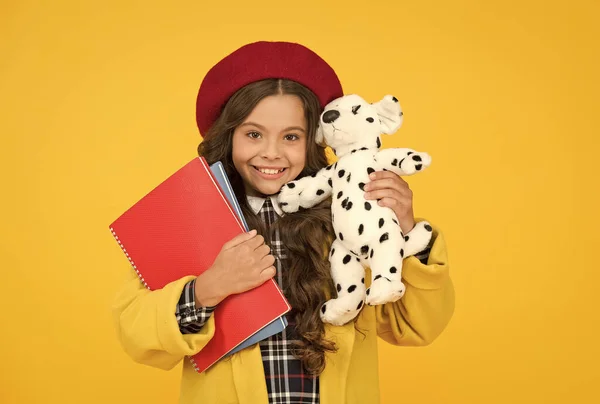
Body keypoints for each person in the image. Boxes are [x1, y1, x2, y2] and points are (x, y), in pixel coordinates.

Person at [112, 41, 455, 404]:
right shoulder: (195, 217)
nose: (271, 152)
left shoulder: (347, 216)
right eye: (253, 134)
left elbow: (415, 326)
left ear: (313, 142)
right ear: (228, 137)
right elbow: (136, 335)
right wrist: (209, 288)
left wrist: (404, 230)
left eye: (291, 136)